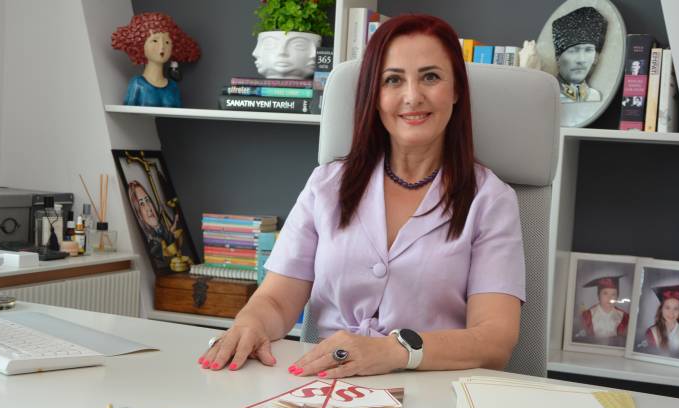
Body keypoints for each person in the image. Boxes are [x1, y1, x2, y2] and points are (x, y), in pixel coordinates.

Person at [199, 14, 524, 378]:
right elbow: (275, 300)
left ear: (456, 90)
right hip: (325, 385)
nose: (412, 96)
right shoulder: (327, 185)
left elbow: (495, 340)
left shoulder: (491, 199)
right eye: (393, 80)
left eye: (431, 77)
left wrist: (394, 351)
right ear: (375, 94)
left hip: (435, 387)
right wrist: (251, 324)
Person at [111, 13, 200, 107]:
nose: (162, 47)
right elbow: (128, 112)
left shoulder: (173, 87)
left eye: (167, 42)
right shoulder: (137, 84)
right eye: (155, 41)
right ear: (140, 45)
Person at [551, 7, 607, 103]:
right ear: (557, 57)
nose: (581, 60)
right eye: (573, 51)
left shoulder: (594, 96)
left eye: (588, 50)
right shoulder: (548, 95)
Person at [127, 180, 183, 271]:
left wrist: (175, 221)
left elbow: (170, 236)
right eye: (142, 204)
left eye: (147, 200)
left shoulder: (162, 228)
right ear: (138, 213)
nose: (149, 208)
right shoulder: (153, 244)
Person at [576, 276, 628, 345]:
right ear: (598, 295)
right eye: (605, 293)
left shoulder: (624, 317)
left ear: (617, 297)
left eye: (613, 294)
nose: (609, 298)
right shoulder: (587, 316)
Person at [642, 284, 679, 355]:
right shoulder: (652, 333)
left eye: (676, 309)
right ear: (661, 310)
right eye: (667, 308)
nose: (671, 313)